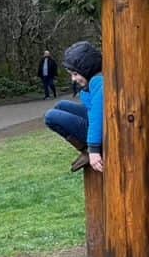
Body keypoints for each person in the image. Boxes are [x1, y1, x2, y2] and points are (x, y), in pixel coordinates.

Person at [44, 41, 104, 173]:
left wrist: (94, 149)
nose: (73, 79)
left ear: (87, 69)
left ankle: (87, 150)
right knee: (61, 105)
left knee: (50, 116)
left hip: (104, 132)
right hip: (97, 124)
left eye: (75, 74)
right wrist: (85, 89)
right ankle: (86, 149)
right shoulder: (93, 81)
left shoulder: (98, 82)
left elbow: (97, 116)